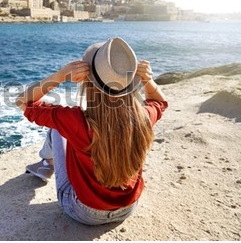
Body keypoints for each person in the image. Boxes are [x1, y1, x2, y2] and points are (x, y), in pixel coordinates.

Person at [15, 37, 168, 225]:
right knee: (66, 129)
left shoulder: (76, 120)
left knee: (57, 130)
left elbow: (23, 102)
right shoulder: (143, 117)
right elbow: (160, 102)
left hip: (85, 212)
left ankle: (46, 164)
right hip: (128, 207)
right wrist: (148, 81)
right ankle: (45, 164)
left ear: (87, 81)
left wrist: (60, 75)